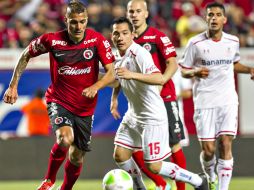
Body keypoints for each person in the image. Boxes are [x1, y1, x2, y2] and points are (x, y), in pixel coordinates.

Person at [3, 1, 115, 190]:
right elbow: (25, 55)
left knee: (77, 156)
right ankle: (49, 180)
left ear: (87, 20)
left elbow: (111, 73)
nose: (78, 26)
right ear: (66, 20)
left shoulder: (96, 40)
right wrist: (13, 85)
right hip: (59, 100)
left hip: (85, 107)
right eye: (73, 22)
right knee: (64, 138)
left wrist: (96, 86)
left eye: (82, 21)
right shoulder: (52, 40)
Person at [110, 16, 208, 190]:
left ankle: (197, 180)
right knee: (120, 155)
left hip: (152, 117)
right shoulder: (117, 56)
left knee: (154, 166)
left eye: (124, 33)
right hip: (133, 115)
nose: (120, 37)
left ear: (132, 35)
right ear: (112, 36)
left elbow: (158, 78)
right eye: (116, 33)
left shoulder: (140, 53)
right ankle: (140, 187)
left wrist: (132, 75)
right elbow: (117, 78)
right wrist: (111, 95)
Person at [179, 2, 254, 190]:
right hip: (204, 102)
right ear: (206, 18)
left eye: (217, 14)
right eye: (210, 14)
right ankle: (210, 175)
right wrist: (195, 72)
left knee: (226, 143)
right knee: (209, 150)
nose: (214, 18)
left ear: (224, 19)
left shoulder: (233, 41)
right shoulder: (195, 43)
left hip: (227, 100)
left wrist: (249, 69)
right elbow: (183, 70)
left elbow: (233, 64)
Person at [126, 1, 187, 189]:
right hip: (140, 102)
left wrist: (161, 80)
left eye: (138, 11)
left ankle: (181, 188)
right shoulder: (126, 40)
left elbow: (173, 63)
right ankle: (161, 184)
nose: (134, 15)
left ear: (146, 13)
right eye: (131, 12)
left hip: (165, 99)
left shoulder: (158, 37)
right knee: (132, 148)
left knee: (174, 144)